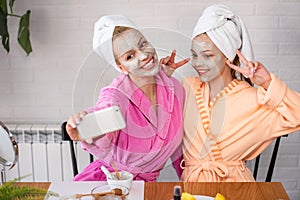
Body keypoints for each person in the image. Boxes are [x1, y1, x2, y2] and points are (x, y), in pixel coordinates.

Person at [176, 4, 300, 182]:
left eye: (207, 55)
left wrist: (267, 83)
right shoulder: (187, 87)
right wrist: (162, 76)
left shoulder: (254, 100)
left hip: (235, 187)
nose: (197, 63)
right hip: (192, 187)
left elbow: (297, 114)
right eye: (194, 55)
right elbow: (157, 115)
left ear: (228, 56)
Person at [66, 15, 189, 182]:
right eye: (130, 56)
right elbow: (106, 109)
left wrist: (189, 182)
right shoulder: (116, 94)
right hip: (107, 183)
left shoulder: (176, 91)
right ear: (121, 67)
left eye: (143, 44)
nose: (144, 55)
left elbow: (179, 150)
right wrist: (86, 125)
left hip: (147, 188)